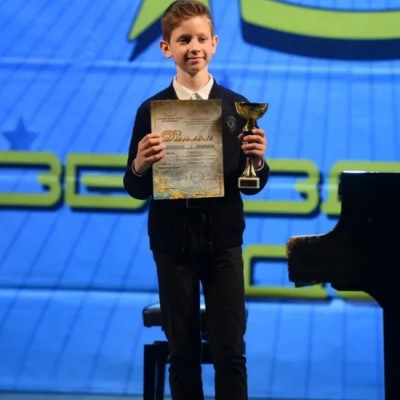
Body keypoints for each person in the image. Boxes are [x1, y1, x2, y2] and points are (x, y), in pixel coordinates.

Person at [123, 1, 269, 399]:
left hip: (223, 244)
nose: (194, 47)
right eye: (184, 39)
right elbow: (135, 187)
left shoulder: (238, 108)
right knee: (182, 354)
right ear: (166, 47)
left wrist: (257, 160)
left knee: (230, 353)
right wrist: (139, 164)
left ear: (215, 43)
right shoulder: (151, 111)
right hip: (172, 247)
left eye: (202, 38)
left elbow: (251, 185)